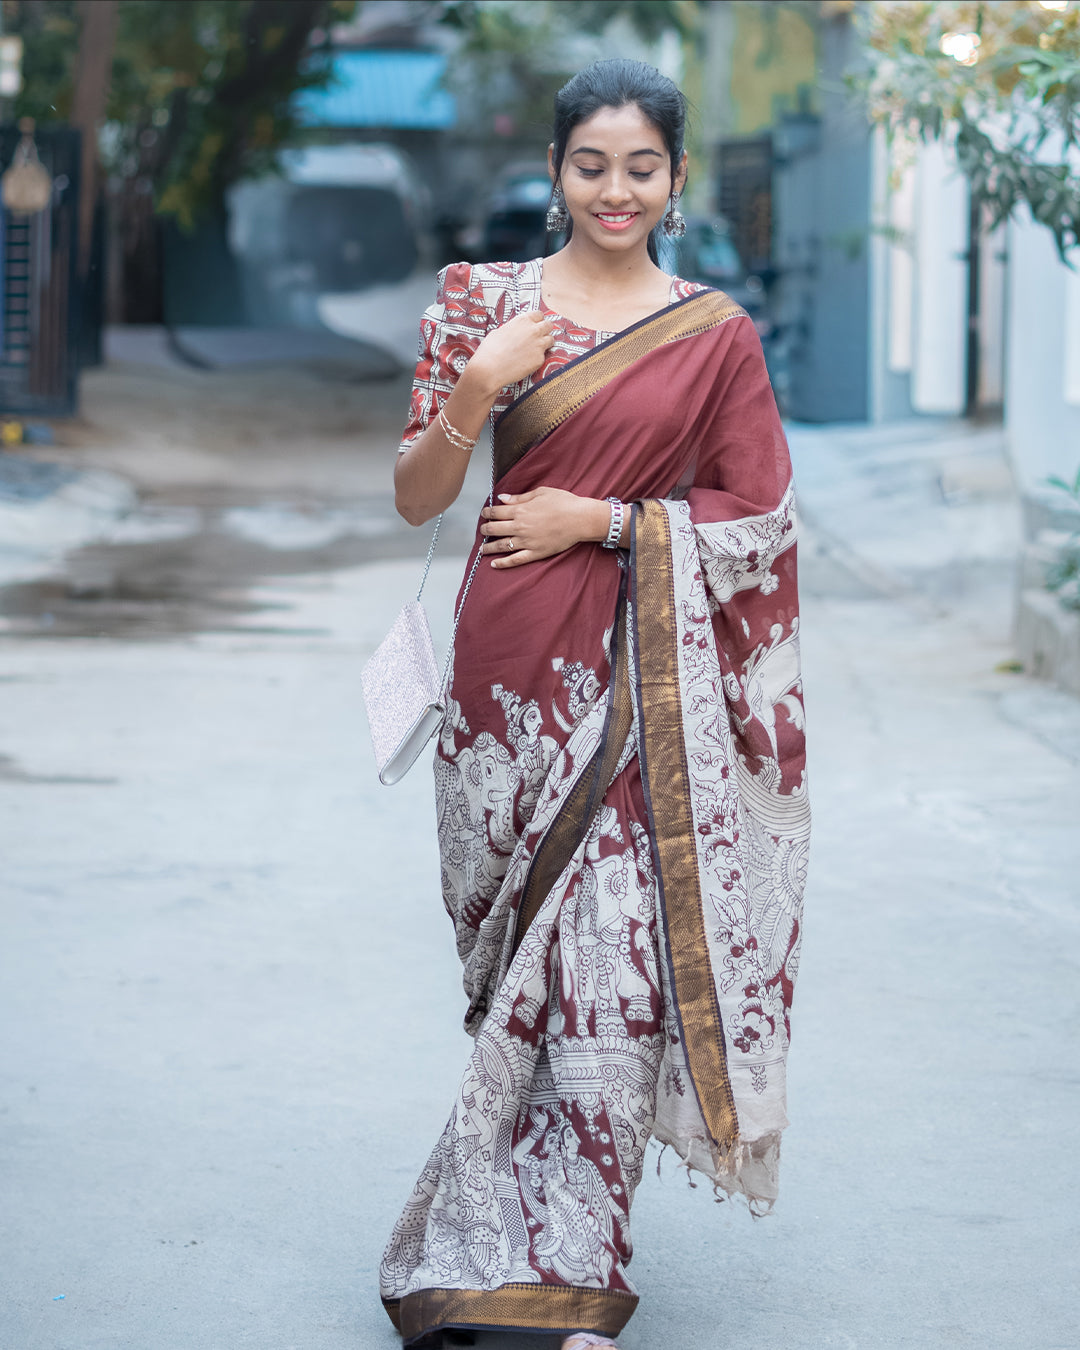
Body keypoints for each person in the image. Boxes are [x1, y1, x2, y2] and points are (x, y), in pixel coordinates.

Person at [381, 58, 810, 1350]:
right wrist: (474, 390)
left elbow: (761, 513)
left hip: (644, 683)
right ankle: (494, 1239)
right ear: (555, 169)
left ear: (676, 180)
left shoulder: (715, 335)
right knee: (522, 972)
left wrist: (609, 520)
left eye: (641, 167)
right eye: (590, 164)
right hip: (507, 673)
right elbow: (415, 496)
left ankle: (581, 1284)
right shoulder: (483, 303)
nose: (614, 190)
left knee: (616, 974)